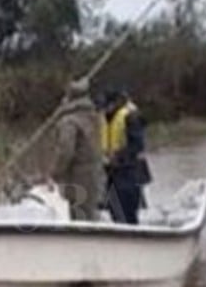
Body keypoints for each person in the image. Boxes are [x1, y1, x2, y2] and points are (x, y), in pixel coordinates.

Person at [48, 78, 105, 221]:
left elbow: (66, 151)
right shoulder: (94, 117)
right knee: (91, 214)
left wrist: (55, 173)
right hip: (96, 174)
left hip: (77, 177)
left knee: (79, 218)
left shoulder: (69, 122)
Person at [99, 88, 151, 225]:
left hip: (129, 171)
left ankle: (133, 236)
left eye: (107, 105)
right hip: (110, 172)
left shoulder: (130, 117)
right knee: (113, 208)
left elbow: (137, 145)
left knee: (129, 209)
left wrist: (119, 156)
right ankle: (120, 232)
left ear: (115, 103)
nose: (105, 109)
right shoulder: (104, 119)